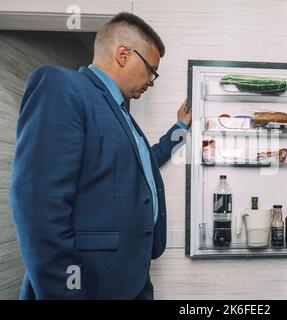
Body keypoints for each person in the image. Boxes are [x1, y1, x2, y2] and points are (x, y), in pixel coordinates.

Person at [9, 12, 191, 300]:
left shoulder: (122, 115)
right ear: (123, 54)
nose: (152, 81)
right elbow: (38, 206)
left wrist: (179, 128)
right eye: (151, 70)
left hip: (132, 280)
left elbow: (144, 165)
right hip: (92, 286)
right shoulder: (62, 88)